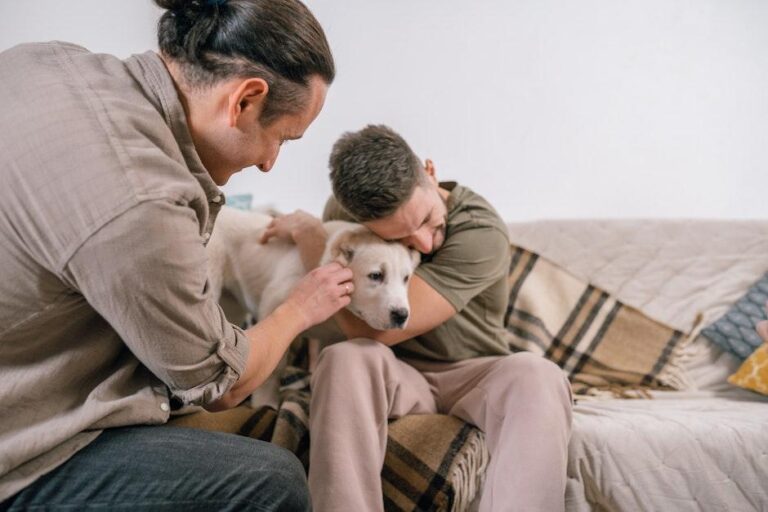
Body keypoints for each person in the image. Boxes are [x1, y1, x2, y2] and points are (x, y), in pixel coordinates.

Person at [0, 0, 352, 510]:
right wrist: (299, 308)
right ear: (245, 101)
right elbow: (221, 385)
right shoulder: (143, 203)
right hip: (16, 447)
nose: (271, 163)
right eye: (281, 139)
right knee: (270, 482)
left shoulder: (47, 61)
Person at [263, 124, 574, 511]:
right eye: (402, 238)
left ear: (430, 172)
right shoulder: (344, 216)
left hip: (472, 373)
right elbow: (361, 334)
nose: (425, 243)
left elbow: (376, 327)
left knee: (539, 374)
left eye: (426, 219)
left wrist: (312, 240)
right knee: (346, 358)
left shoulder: (480, 230)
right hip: (395, 373)